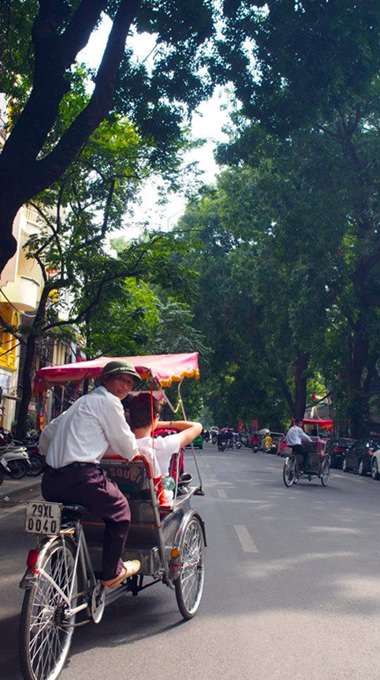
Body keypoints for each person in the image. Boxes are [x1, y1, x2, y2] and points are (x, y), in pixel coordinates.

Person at [39, 360, 142, 589]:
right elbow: (127, 447)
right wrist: (134, 452)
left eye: (130, 382)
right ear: (106, 380)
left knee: (65, 524)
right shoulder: (109, 402)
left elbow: (47, 434)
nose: (125, 386)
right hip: (82, 479)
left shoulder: (80, 403)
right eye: (121, 379)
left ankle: (60, 574)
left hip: (51, 481)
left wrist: (50, 451)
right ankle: (111, 572)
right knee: (121, 510)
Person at [128, 392, 202, 502]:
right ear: (156, 417)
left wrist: (153, 420)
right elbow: (197, 426)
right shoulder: (162, 445)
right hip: (158, 501)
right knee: (174, 486)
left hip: (127, 499)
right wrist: (167, 423)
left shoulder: (119, 445)